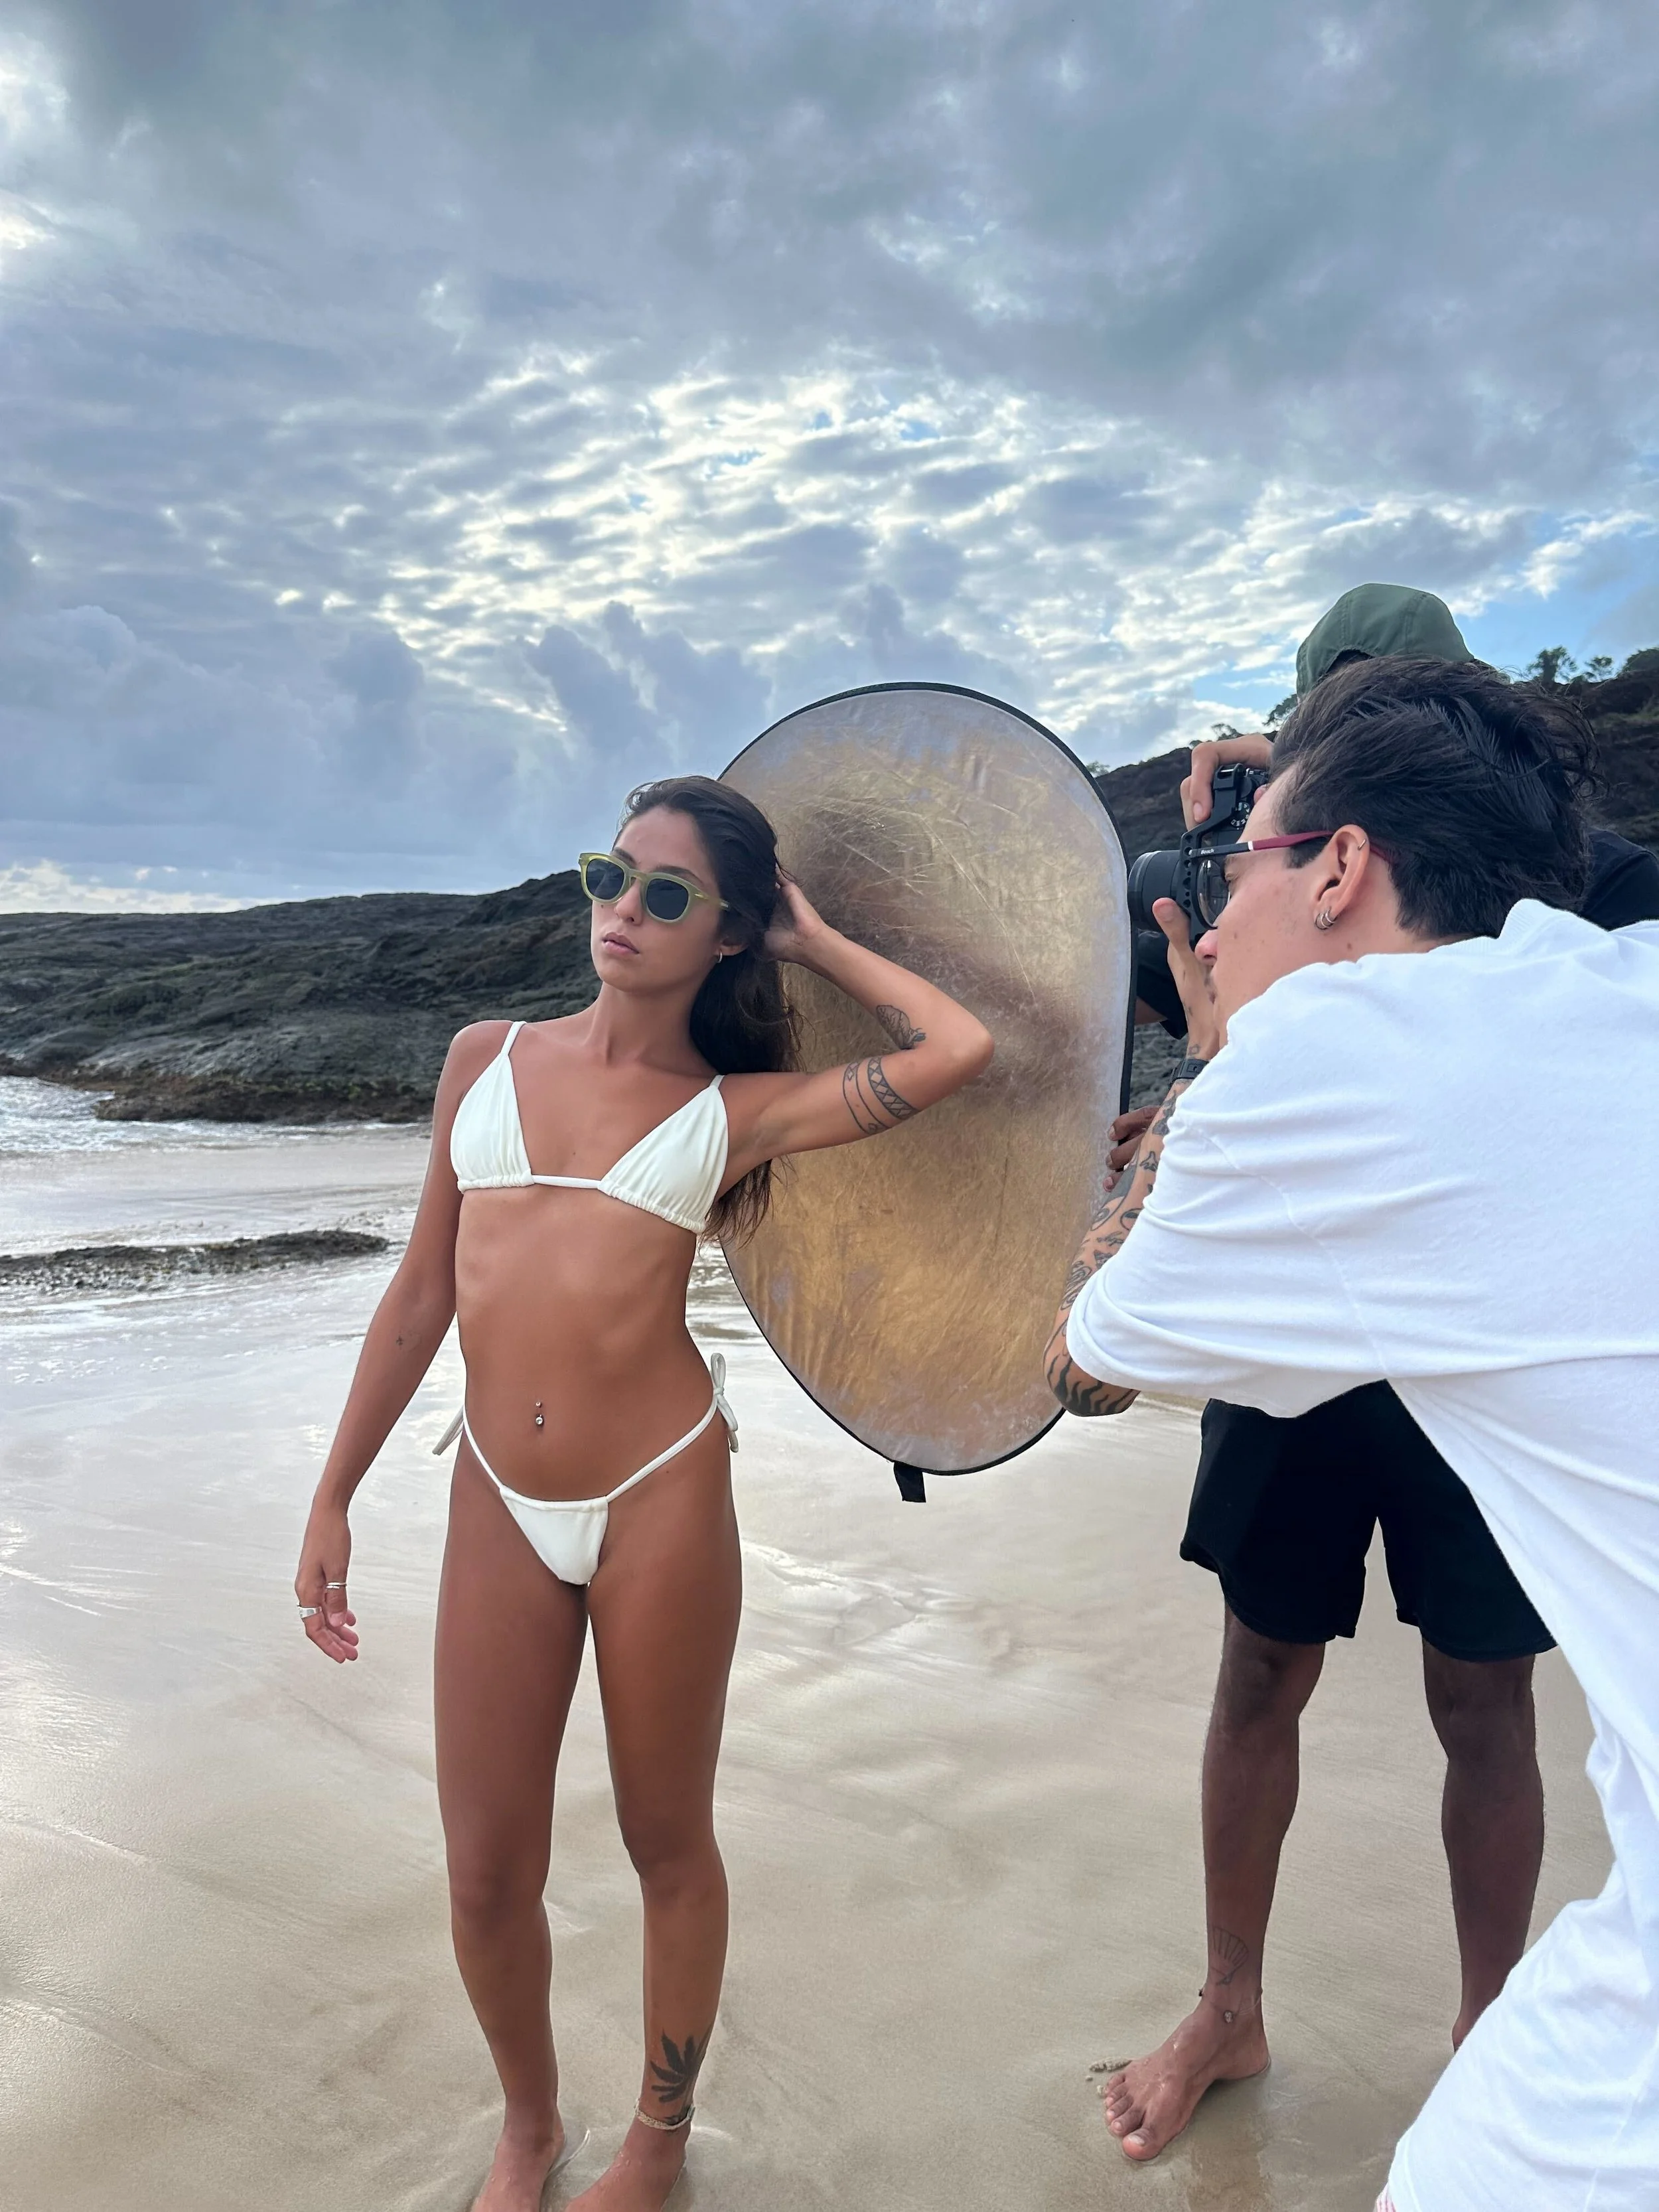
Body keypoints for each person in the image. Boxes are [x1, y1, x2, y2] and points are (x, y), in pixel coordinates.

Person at [293, 776, 993, 2212]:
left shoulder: (734, 1111)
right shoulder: (480, 1057)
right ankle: (528, 2123)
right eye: (609, 875)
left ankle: (658, 2140)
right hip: (494, 1488)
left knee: (664, 1840)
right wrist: (333, 1494)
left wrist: (811, 940)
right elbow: (421, 1292)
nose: (621, 910)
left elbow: (956, 1046)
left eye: (666, 893)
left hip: (658, 1492)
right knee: (485, 1864)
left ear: (726, 931)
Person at [1046, 657, 1659, 2211]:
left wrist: (1211, 1060)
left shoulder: (1313, 1057)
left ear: (1336, 865)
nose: (1207, 909)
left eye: (1234, 864)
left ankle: (1481, 2024)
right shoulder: (1613, 971)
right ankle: (1241, 2004)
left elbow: (1079, 1359)